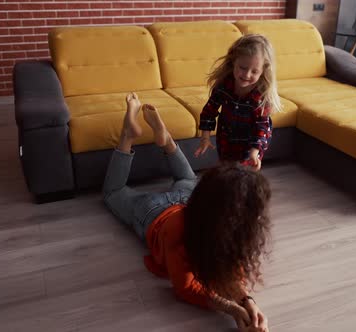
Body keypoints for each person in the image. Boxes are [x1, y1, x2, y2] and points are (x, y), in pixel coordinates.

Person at [103, 92, 272, 331]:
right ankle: (142, 137)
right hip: (155, 214)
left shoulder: (214, 214)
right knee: (112, 193)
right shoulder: (180, 232)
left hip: (187, 199)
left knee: (187, 178)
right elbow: (185, 287)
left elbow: (232, 273)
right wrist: (233, 308)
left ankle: (151, 140)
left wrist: (248, 302)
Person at [194, 34, 282, 171]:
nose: (247, 75)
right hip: (226, 138)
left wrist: (254, 153)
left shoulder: (261, 96)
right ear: (233, 61)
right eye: (242, 67)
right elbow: (209, 112)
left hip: (251, 143)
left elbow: (261, 128)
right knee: (226, 170)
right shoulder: (224, 86)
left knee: (243, 174)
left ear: (263, 71)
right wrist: (205, 138)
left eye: (254, 71)